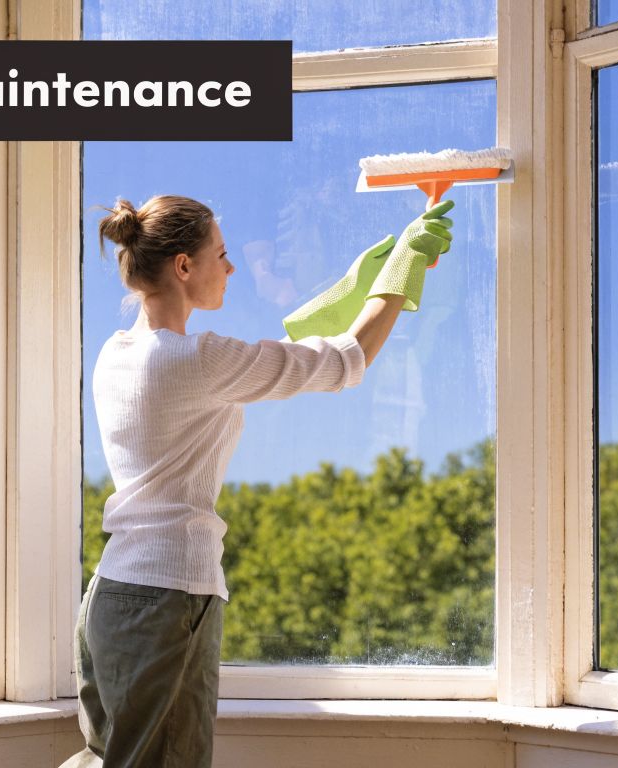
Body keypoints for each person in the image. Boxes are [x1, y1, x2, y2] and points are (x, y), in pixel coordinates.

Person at [60, 194, 454, 768]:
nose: (231, 268)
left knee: (103, 758)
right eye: (220, 255)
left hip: (111, 598)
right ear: (183, 266)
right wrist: (399, 276)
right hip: (168, 600)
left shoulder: (115, 354)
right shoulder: (198, 360)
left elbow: (267, 363)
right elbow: (344, 362)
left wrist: (349, 292)